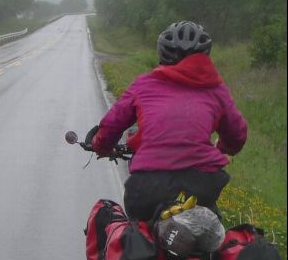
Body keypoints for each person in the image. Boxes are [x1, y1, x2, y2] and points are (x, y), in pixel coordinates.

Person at [87, 20, 247, 221]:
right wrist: (222, 147)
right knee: (210, 231)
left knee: (139, 236)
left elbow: (111, 125)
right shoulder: (216, 89)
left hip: (149, 186)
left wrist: (101, 146)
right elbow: (237, 135)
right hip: (202, 183)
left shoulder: (143, 85)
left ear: (163, 54)